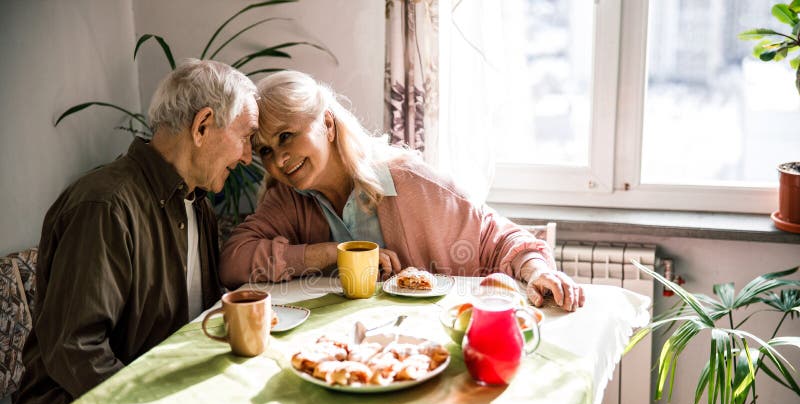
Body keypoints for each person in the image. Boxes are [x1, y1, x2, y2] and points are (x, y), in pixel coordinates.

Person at [13, 59, 259, 404]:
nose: (247, 156)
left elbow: (190, 317)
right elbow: (76, 349)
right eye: (245, 136)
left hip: (157, 392)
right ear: (202, 126)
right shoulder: (104, 206)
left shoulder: (199, 204)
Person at [219, 70, 584, 311]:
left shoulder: (410, 182)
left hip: (430, 345)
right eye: (265, 150)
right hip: (337, 349)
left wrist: (537, 272)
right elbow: (233, 261)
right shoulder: (287, 199)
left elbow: (499, 237)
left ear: (327, 124)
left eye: (287, 136)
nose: (279, 159)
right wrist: (330, 254)